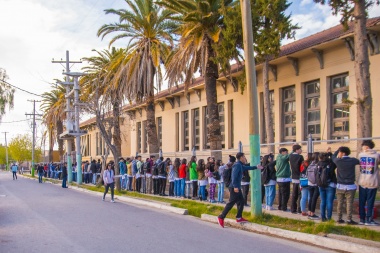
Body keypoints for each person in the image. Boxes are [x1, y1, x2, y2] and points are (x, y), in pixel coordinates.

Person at [217, 152, 263, 228]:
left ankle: (239, 217)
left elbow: (247, 168)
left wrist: (256, 167)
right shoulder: (237, 165)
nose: (245, 158)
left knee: (241, 201)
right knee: (231, 203)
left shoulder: (240, 165)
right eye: (244, 157)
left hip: (237, 187)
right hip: (234, 187)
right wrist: (235, 186)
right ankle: (221, 217)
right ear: (241, 157)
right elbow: (234, 176)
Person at [333, 146, 360, 225]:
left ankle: (339, 218)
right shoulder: (353, 160)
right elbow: (359, 161)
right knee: (349, 203)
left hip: (340, 185)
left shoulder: (338, 161)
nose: (339, 154)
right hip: (350, 186)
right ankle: (349, 219)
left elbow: (333, 157)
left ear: (343, 153)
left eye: (339, 152)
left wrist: (336, 150)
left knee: (340, 203)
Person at [357, 140, 380, 226]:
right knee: (370, 201)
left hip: (362, 181)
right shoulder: (377, 155)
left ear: (366, 147)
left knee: (361, 201)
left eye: (363, 146)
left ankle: (362, 219)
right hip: (372, 181)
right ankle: (369, 219)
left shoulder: (360, 155)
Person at [317, 152, 337, 221]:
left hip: (321, 184)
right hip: (330, 184)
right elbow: (335, 162)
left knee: (323, 201)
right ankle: (329, 217)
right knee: (329, 201)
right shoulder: (331, 164)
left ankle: (323, 217)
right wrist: (331, 155)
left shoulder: (319, 164)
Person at [289, 144, 304, 214]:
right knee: (300, 194)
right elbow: (302, 167)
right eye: (300, 149)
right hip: (299, 177)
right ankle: (299, 208)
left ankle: (293, 208)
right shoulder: (300, 157)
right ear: (297, 150)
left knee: (294, 193)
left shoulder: (291, 156)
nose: (301, 150)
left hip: (294, 176)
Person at [307, 152, 320, 220]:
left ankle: (309, 212)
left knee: (311, 198)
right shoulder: (318, 164)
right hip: (316, 184)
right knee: (314, 199)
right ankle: (312, 213)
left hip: (310, 183)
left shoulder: (310, 164)